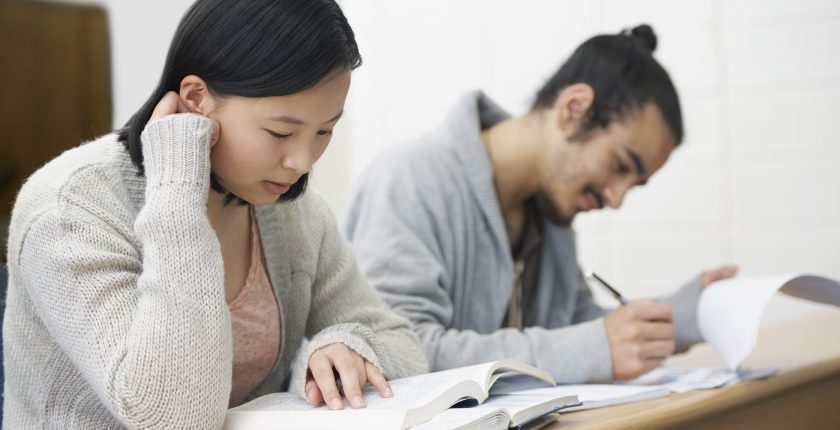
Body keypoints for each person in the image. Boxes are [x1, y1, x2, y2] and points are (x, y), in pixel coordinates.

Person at [2, 0, 428, 428]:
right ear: (196, 100)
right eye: (281, 132)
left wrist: (345, 346)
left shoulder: (294, 215)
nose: (302, 161)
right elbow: (172, 418)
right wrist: (177, 188)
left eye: (324, 130)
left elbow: (404, 345)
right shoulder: (68, 209)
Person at [343, 25, 737, 384]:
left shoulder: (551, 215)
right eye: (620, 166)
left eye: (634, 185)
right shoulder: (411, 177)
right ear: (573, 109)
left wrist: (685, 315)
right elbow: (398, 352)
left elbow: (576, 328)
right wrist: (591, 350)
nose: (616, 199)